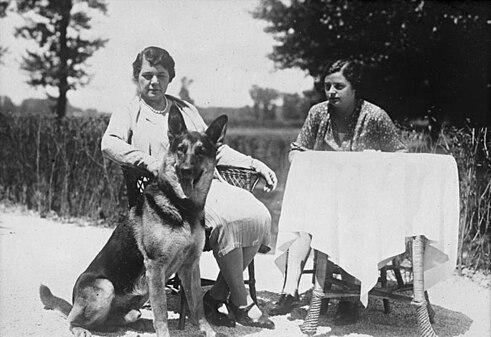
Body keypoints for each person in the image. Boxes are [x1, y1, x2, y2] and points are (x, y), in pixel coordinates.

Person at [101, 46, 277, 329]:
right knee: (227, 222)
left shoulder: (185, 109)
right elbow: (109, 143)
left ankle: (220, 294)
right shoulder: (129, 111)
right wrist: (146, 161)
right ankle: (241, 301)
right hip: (167, 196)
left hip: (206, 186)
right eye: (147, 75)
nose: (154, 82)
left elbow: (214, 148)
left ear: (170, 77)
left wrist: (254, 163)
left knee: (259, 216)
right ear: (137, 77)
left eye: (161, 75)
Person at [269, 59, 407, 325]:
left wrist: (376, 161)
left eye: (339, 86)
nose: (331, 92)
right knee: (303, 221)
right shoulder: (318, 114)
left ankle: (349, 298)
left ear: (355, 88)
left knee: (350, 223)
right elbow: (296, 150)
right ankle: (290, 290)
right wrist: (302, 159)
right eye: (327, 86)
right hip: (324, 197)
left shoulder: (374, 116)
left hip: (365, 202)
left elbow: (401, 156)